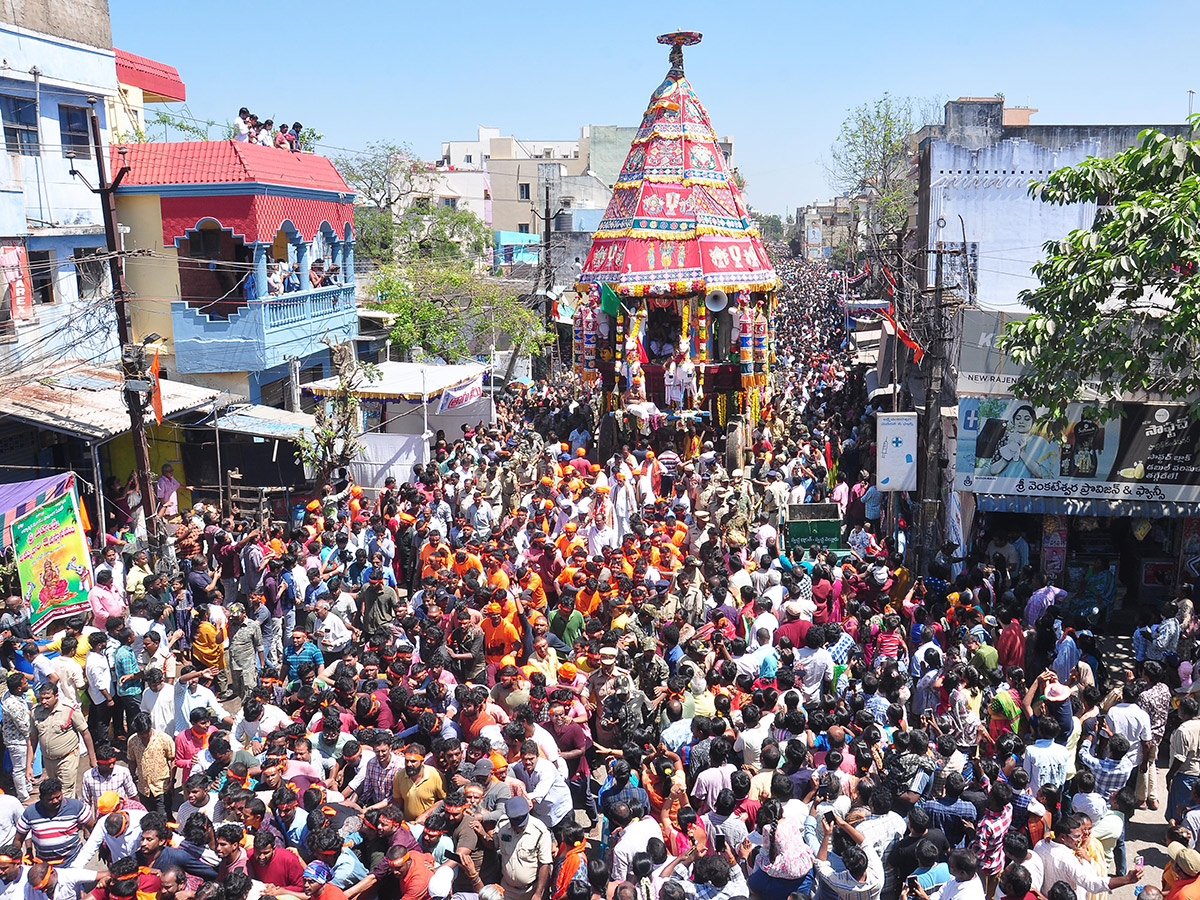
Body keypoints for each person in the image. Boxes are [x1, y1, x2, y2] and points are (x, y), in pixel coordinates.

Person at [28, 680, 95, 799]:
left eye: (48, 698)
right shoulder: (36, 711)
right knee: (55, 789)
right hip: (48, 761)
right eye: (42, 698)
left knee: (65, 792)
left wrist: (92, 758)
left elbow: (85, 733)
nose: (44, 701)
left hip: (67, 758)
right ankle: (76, 809)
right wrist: (29, 765)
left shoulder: (69, 710)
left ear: (56, 696)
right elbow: (33, 739)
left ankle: (67, 815)